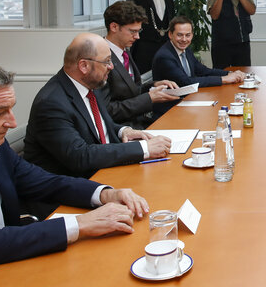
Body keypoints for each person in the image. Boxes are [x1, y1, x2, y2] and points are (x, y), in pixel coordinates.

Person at [0, 60, 150, 287]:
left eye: (11, 109)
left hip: (12, 264)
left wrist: (105, 193)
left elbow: (45, 182)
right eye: (0, 113)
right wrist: (80, 224)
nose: (12, 122)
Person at [24, 33, 171, 179]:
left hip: (106, 172)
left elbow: (99, 125)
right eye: (107, 61)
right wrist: (144, 148)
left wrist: (123, 131)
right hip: (77, 186)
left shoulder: (89, 86)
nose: (112, 67)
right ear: (84, 66)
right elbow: (80, 156)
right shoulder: (51, 103)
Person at [100, 0, 179, 129]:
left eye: (138, 31)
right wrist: (149, 98)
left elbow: (129, 91)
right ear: (114, 27)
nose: (137, 37)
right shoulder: (100, 58)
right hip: (122, 129)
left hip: (139, 122)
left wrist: (153, 85)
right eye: (132, 31)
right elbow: (108, 110)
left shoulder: (124, 51)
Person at [152, 16, 246, 92]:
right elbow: (186, 82)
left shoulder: (186, 50)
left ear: (192, 35)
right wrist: (224, 79)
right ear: (170, 35)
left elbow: (203, 71)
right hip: (171, 105)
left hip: (188, 98)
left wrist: (230, 73)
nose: (184, 39)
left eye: (188, 35)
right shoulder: (165, 56)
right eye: (179, 35)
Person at [126, 0, 175, 74]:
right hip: (144, 47)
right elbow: (129, 20)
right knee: (145, 81)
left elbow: (171, 17)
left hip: (165, 45)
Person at [207, 0, 256, 69]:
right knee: (221, 77)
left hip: (242, 43)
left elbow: (251, 10)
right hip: (222, 44)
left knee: (244, 74)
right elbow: (214, 15)